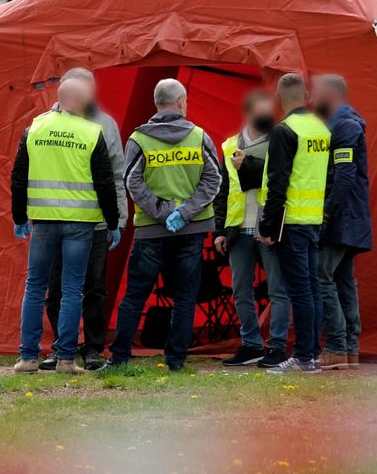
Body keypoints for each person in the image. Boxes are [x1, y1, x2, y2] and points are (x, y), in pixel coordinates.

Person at [105, 78, 221, 371]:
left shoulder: (139, 140)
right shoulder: (199, 136)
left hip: (150, 230)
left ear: (156, 103)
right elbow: (214, 180)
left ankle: (119, 357)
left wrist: (160, 211)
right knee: (184, 296)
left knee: (135, 294)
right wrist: (185, 212)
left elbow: (131, 182)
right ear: (182, 102)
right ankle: (176, 361)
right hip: (192, 230)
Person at [11, 77, 122, 373]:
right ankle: (64, 359)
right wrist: (113, 222)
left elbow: (19, 176)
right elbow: (105, 183)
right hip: (81, 224)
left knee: (35, 287)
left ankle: (28, 357)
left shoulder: (34, 129)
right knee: (73, 289)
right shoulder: (91, 132)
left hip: (43, 222)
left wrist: (19, 216)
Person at [39, 68, 126, 371]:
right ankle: (62, 348)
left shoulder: (105, 125)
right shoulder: (43, 125)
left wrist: (118, 219)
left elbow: (117, 174)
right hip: (53, 219)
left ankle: (91, 349)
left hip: (95, 222)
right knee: (56, 289)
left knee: (94, 288)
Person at [259, 72, 332, 375]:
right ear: (305, 97)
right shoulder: (321, 130)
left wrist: (266, 226)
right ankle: (310, 354)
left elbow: (278, 183)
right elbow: (327, 177)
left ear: (279, 98)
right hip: (313, 219)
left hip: (291, 221)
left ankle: (303, 356)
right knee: (312, 289)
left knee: (300, 291)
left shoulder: (284, 131)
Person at [213, 90, 292, 368]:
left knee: (278, 290)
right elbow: (222, 190)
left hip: (269, 228)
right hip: (238, 229)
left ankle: (278, 346)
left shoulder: (279, 141)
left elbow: (281, 180)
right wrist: (219, 230)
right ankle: (251, 345)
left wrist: (247, 164)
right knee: (240, 290)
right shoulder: (227, 145)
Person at [313, 74, 372, 369]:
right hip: (348, 216)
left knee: (323, 277)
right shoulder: (340, 124)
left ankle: (337, 346)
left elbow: (345, 173)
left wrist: (326, 210)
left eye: (316, 93)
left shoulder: (344, 126)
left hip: (341, 217)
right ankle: (349, 349)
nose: (311, 99)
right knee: (342, 280)